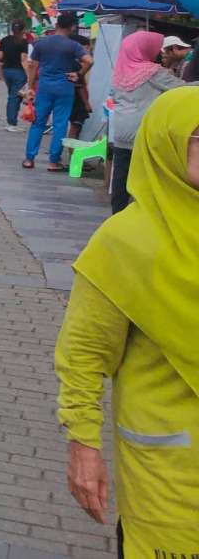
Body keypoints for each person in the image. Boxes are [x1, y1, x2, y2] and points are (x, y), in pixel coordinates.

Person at [53, 87, 199, 555]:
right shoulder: (125, 242)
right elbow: (82, 357)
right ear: (165, 143)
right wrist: (84, 446)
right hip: (171, 473)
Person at [106, 30, 189, 214]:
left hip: (120, 130)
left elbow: (114, 97)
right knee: (145, 177)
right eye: (156, 48)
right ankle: (143, 216)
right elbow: (181, 89)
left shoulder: (119, 71)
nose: (159, 51)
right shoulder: (152, 72)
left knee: (121, 177)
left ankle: (117, 215)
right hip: (143, 131)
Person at [23, 13, 92, 171]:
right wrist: (79, 74)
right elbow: (89, 61)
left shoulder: (41, 43)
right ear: (72, 27)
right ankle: (53, 162)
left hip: (44, 87)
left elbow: (33, 66)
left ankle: (29, 159)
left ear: (56, 25)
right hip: (65, 87)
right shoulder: (73, 46)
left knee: (38, 122)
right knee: (60, 124)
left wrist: (31, 87)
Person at [0, 19, 32, 132]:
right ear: (23, 29)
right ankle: (11, 123)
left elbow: (0, 56)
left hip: (7, 70)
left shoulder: (4, 40)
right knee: (15, 97)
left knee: (12, 96)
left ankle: (11, 121)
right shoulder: (23, 42)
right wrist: (28, 75)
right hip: (19, 72)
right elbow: (23, 60)